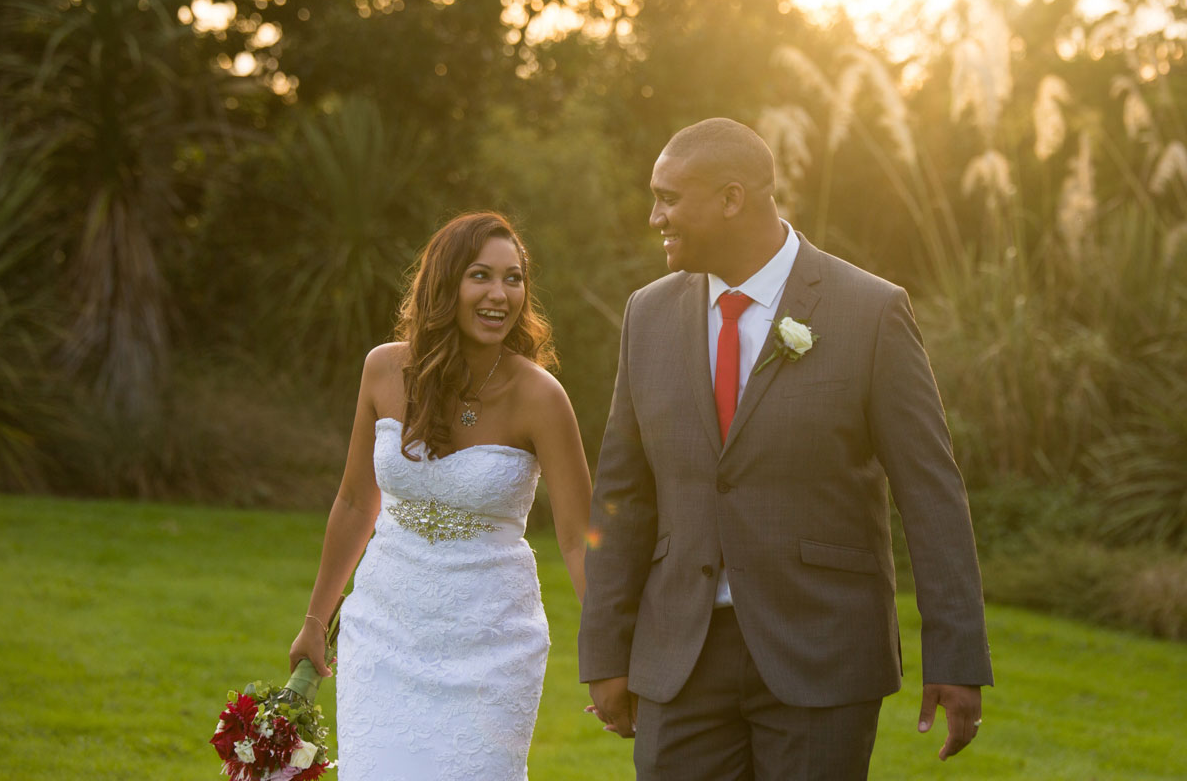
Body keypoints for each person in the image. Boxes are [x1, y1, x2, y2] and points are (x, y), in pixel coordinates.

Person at [579, 118, 992, 779]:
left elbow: (930, 491)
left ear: (732, 199)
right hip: (678, 657)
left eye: (669, 198)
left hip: (822, 653)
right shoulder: (646, 315)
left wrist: (956, 656)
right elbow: (621, 495)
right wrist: (605, 649)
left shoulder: (870, 311)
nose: (655, 216)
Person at [289, 210, 592, 780]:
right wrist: (315, 619)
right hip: (382, 631)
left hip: (492, 645)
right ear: (443, 283)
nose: (500, 294)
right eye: (481, 275)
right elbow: (356, 502)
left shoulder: (541, 397)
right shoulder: (382, 370)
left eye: (514, 278)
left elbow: (579, 539)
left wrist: (608, 650)